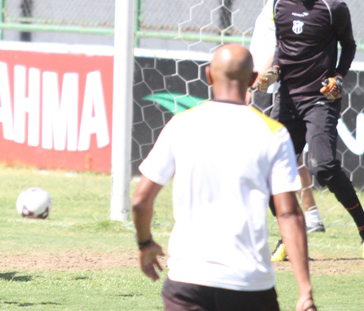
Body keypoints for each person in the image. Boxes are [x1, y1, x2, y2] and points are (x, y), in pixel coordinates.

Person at [133, 45, 316, 311]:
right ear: (253, 80)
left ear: (208, 75)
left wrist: (145, 243)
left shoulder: (180, 125)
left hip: (187, 281)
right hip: (249, 286)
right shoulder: (274, 133)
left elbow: (140, 201)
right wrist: (305, 291)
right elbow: (288, 214)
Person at [257, 0, 364, 261]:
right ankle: (289, 235)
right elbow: (284, 50)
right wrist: (272, 73)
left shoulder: (332, 6)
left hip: (319, 99)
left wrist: (338, 76)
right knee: (270, 170)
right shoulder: (280, 4)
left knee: (323, 167)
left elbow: (349, 47)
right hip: (287, 99)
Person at [249, 0, 326, 238]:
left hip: (274, 86)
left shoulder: (284, 0)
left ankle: (303, 215)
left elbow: (279, 45)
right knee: (287, 155)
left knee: (284, 154)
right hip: (264, 83)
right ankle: (309, 215)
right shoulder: (274, 0)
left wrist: (256, 82)